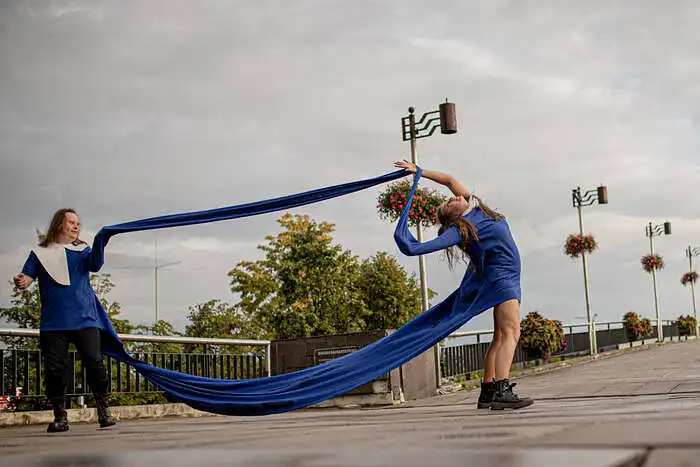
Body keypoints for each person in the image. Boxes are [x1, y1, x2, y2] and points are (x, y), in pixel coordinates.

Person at [393, 160, 532, 410]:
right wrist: (405, 234)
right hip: (501, 279)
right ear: (454, 214)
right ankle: (502, 390)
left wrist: (420, 172)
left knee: (501, 334)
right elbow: (420, 248)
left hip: (506, 277)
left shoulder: (474, 207)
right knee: (512, 333)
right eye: (450, 202)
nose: (454, 197)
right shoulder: (461, 229)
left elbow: (448, 179)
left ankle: (488, 392)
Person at [14, 208, 117, 432]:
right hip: (53, 322)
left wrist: (101, 241)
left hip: (85, 318)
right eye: (71, 222)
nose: (76, 226)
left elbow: (95, 265)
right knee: (55, 370)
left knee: (95, 364)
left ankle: (103, 410)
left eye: (78, 223)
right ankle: (60, 416)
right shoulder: (40, 252)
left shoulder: (82, 249)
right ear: (59, 224)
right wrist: (21, 281)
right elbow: (27, 277)